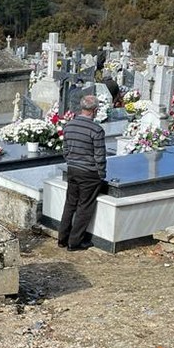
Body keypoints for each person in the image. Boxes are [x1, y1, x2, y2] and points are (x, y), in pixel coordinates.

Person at [59, 95, 107, 252]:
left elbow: (65, 149)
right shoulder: (96, 130)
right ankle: (75, 242)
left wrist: (71, 161)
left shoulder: (69, 125)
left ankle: (62, 238)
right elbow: (99, 156)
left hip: (72, 169)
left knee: (70, 203)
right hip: (89, 173)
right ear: (95, 110)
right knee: (84, 207)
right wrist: (101, 174)